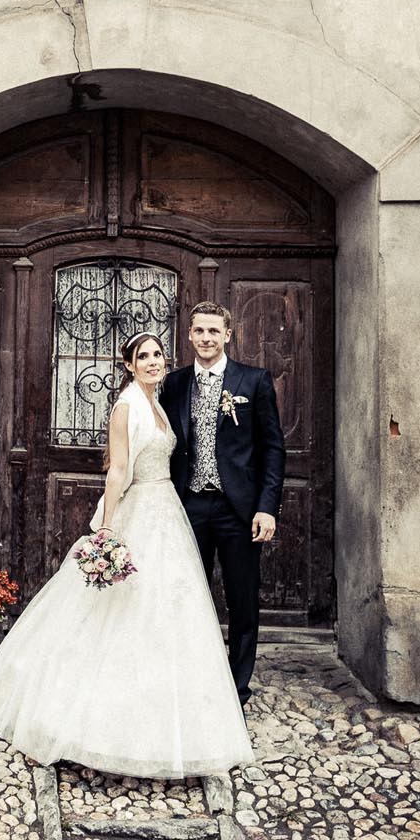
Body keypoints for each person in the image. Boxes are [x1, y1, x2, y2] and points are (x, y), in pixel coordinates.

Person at [0, 333, 252, 778]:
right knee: (120, 611)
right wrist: (107, 528)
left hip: (167, 510)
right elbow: (118, 468)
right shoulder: (127, 406)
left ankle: (169, 713)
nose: (152, 362)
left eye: (157, 355)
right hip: (141, 508)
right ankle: (89, 722)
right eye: (142, 356)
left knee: (168, 612)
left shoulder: (156, 402)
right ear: (129, 364)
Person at [159, 301, 286, 707]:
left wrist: (266, 507)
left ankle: (236, 691)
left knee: (242, 599)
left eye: (215, 331)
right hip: (189, 506)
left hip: (239, 511)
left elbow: (272, 450)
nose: (207, 339)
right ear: (190, 335)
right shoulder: (174, 383)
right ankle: (189, 679)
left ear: (228, 335)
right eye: (199, 331)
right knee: (185, 595)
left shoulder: (254, 381)